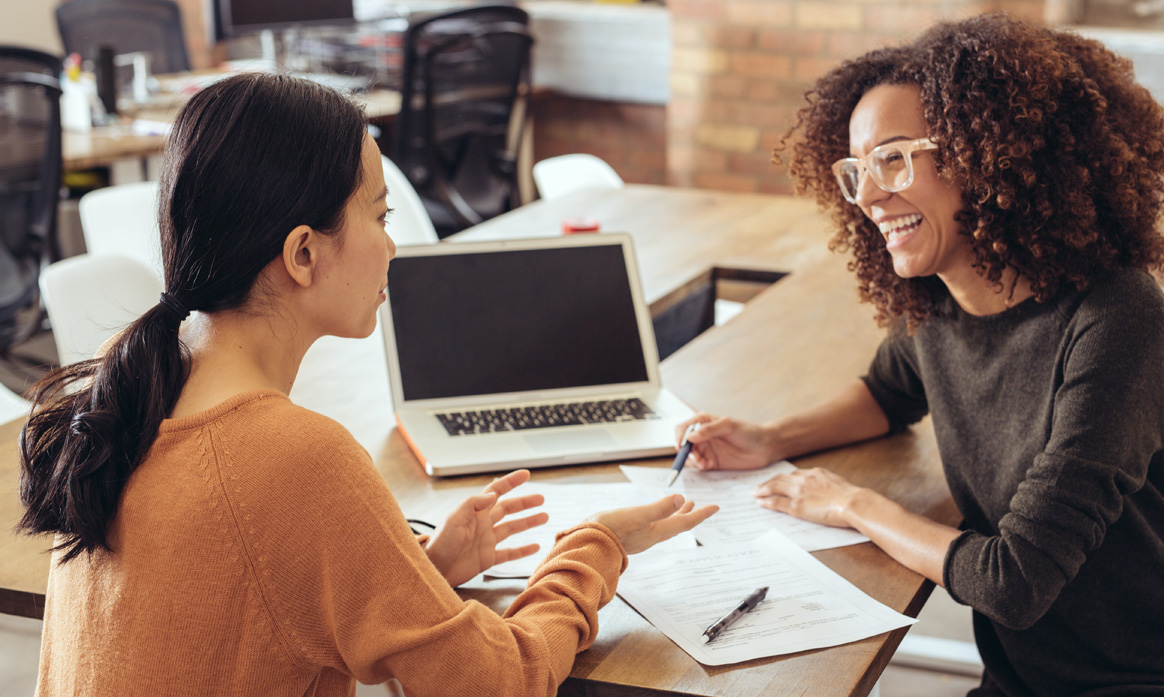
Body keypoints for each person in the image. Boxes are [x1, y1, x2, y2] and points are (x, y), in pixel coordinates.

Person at [18, 72, 717, 696]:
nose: (392, 244)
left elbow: (242, 594)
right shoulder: (293, 455)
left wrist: (419, 568)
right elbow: (505, 681)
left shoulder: (132, 379)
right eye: (380, 217)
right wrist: (594, 546)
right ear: (302, 252)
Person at [678, 14, 1164, 697]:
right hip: (1025, 679)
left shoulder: (1115, 318)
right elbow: (887, 393)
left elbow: (1010, 582)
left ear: (987, 154)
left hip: (1161, 676)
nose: (869, 197)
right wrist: (768, 437)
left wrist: (851, 504)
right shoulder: (939, 306)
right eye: (857, 169)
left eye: (893, 158)